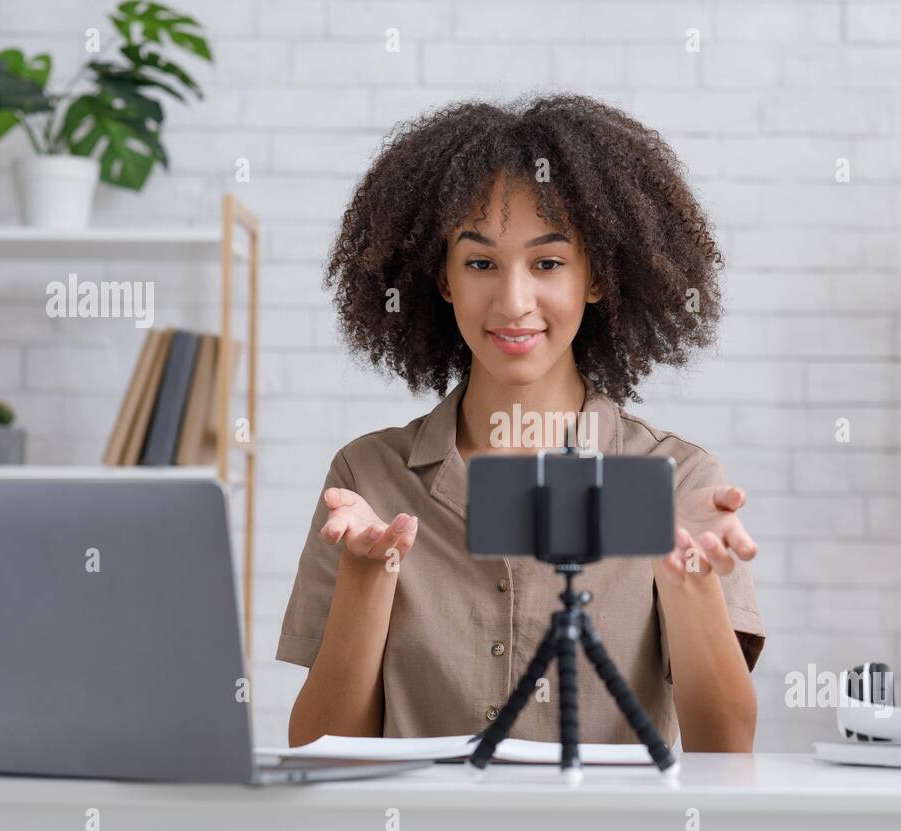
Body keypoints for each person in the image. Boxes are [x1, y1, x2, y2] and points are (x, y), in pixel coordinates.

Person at [279, 95, 766, 752]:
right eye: (480, 263)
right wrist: (370, 579)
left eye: (548, 263)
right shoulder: (368, 480)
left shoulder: (677, 482)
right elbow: (321, 752)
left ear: (597, 278)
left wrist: (691, 583)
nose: (513, 303)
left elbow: (726, 752)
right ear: (443, 278)